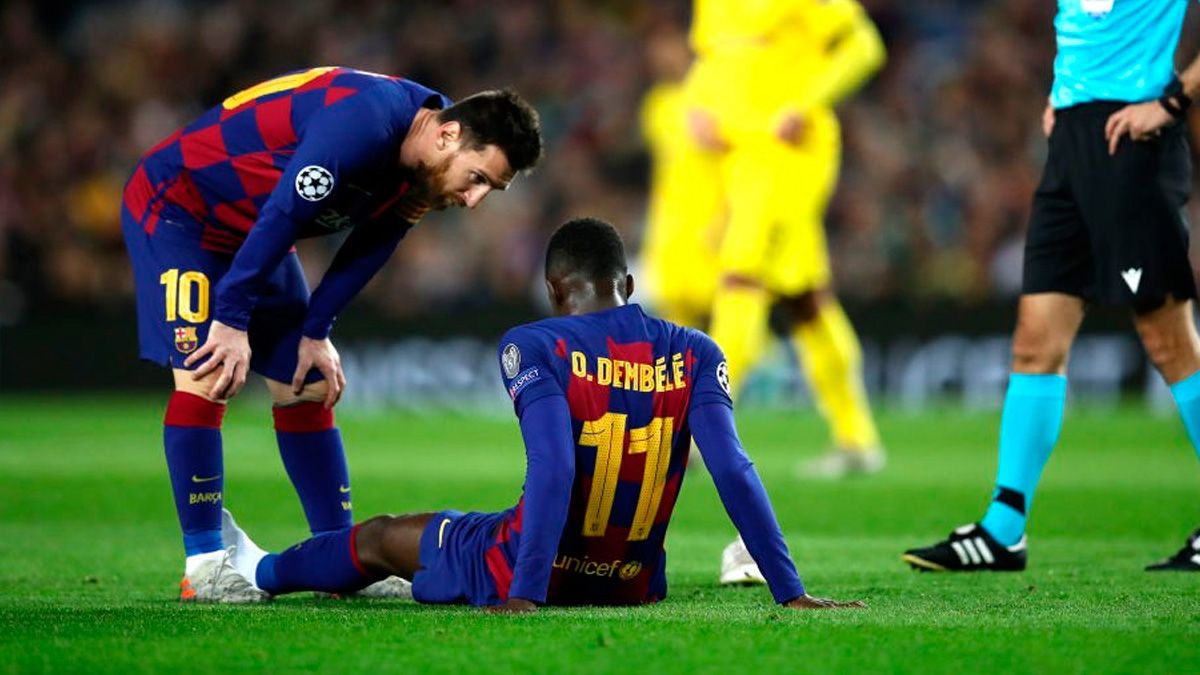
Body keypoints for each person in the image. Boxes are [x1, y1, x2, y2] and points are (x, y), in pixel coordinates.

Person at [219, 217, 864, 612]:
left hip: (524, 567)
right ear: (628, 284)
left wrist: (525, 591)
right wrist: (790, 589)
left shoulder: (536, 344)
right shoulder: (697, 350)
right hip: (632, 582)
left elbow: (555, 467)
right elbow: (732, 469)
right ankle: (264, 568)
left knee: (380, 536)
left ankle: (255, 572)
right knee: (412, 537)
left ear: (556, 290)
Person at [121, 66, 543, 602]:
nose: (476, 199)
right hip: (182, 211)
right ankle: (205, 565)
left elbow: (373, 244)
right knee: (210, 373)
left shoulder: (422, 173)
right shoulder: (364, 121)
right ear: (447, 135)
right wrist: (230, 321)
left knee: (308, 384)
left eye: (492, 189)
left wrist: (316, 331)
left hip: (257, 231)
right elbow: (285, 211)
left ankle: (339, 560)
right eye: (479, 178)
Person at [903, 0, 1200, 573]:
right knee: (1035, 343)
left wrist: (1172, 101)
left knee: (1168, 339)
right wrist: (1064, 95)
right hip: (1071, 140)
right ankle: (1003, 530)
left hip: (1133, 139)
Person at [682, 0, 886, 584]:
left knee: (740, 277)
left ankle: (699, 426)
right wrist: (696, 108)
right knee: (806, 300)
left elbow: (864, 46)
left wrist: (807, 100)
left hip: (790, 150)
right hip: (740, 155)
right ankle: (856, 438)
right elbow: (712, 65)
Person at [638, 26, 725, 330]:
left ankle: (767, 365)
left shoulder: (717, 97)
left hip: (711, 216)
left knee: (725, 302)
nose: (663, 59)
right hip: (671, 222)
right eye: (656, 54)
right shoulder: (657, 105)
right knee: (673, 306)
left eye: (668, 48)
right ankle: (683, 373)